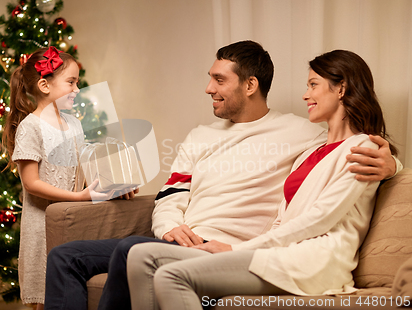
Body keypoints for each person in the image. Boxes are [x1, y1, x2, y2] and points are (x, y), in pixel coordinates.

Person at [44, 41, 400, 310]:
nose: (208, 88)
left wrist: (392, 166)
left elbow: (351, 157)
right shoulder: (201, 135)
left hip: (227, 242)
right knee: (65, 255)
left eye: (218, 79)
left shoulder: (301, 133)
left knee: (130, 250)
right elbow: (171, 193)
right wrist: (168, 226)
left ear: (250, 85)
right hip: (178, 237)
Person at [2, 47, 119, 309]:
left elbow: (82, 169)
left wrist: (112, 186)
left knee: (72, 291)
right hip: (43, 225)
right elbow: (32, 184)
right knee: (48, 297)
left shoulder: (74, 124)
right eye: (71, 82)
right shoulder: (30, 127)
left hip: (73, 221)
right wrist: (78, 197)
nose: (78, 89)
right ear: (44, 85)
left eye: (77, 82)